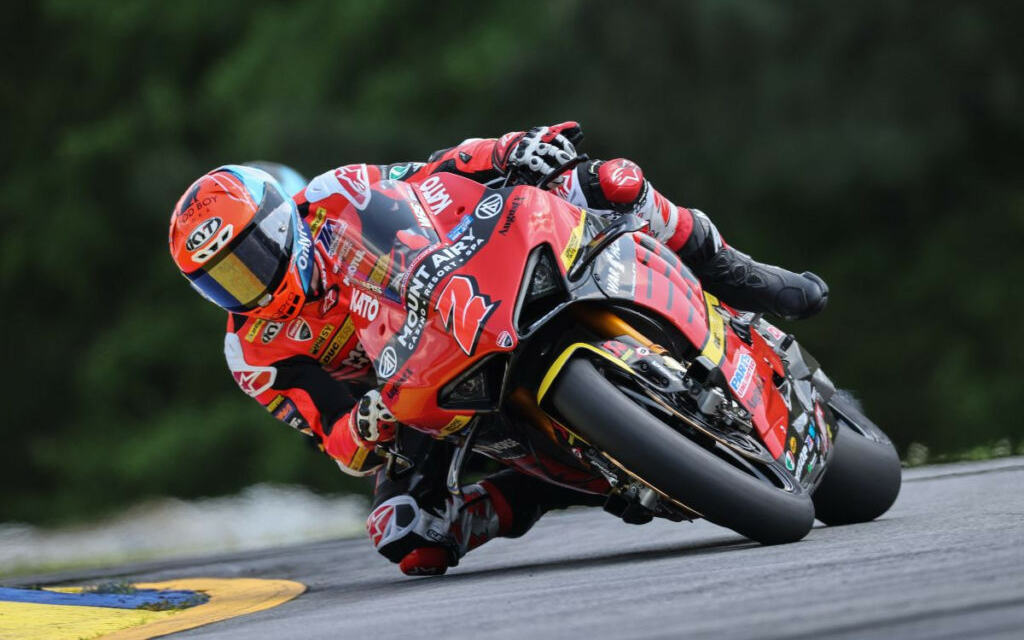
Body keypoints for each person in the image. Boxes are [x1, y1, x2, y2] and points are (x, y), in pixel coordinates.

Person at [168, 122, 827, 576]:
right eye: (221, 279)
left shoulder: (336, 194)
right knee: (407, 535)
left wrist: (513, 150)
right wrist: (364, 426)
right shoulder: (253, 353)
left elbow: (432, 174)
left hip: (464, 286)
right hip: (416, 393)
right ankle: (588, 478)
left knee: (608, 180)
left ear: (278, 222)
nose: (243, 283)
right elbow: (332, 435)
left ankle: (742, 274)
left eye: (246, 258)